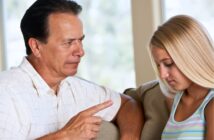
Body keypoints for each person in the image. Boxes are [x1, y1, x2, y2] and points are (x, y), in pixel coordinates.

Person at [0, 0, 143, 139]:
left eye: (80, 41)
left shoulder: (77, 89)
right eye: (68, 43)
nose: (81, 52)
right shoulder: (6, 93)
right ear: (36, 47)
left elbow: (127, 104)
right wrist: (65, 136)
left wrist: (129, 137)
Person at [148, 15, 214, 140]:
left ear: (193, 57)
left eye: (168, 63)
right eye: (158, 65)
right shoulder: (175, 100)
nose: (162, 75)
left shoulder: (211, 104)